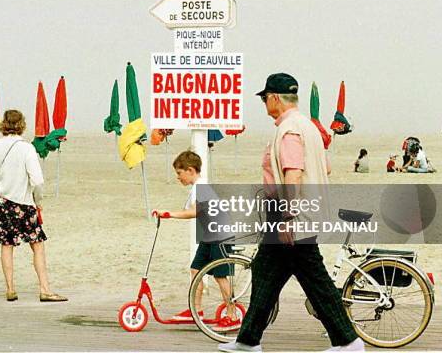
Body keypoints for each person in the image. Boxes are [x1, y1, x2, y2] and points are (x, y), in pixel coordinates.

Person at [219, 73, 363, 352]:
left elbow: (293, 174)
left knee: (315, 280)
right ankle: (248, 340)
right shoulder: (309, 127)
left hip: (291, 215)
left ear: (274, 98)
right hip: (306, 212)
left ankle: (348, 341)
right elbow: (325, 167)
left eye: (264, 98)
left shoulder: (289, 130)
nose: (263, 103)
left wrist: (287, 216)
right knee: (266, 272)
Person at [0, 109, 67, 303]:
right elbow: (37, 180)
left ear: (4, 124)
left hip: (1, 202)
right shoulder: (26, 148)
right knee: (37, 245)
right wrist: (39, 202)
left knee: (7, 245)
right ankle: (45, 289)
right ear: (22, 125)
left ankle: (11, 289)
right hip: (23, 202)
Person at [155, 151, 240, 332]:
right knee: (196, 269)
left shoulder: (201, 186)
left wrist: (169, 214)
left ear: (190, 170)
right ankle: (197, 310)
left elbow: (194, 212)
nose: (178, 177)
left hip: (220, 235)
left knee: (219, 275)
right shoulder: (197, 187)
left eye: (179, 173)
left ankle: (232, 316)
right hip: (210, 234)